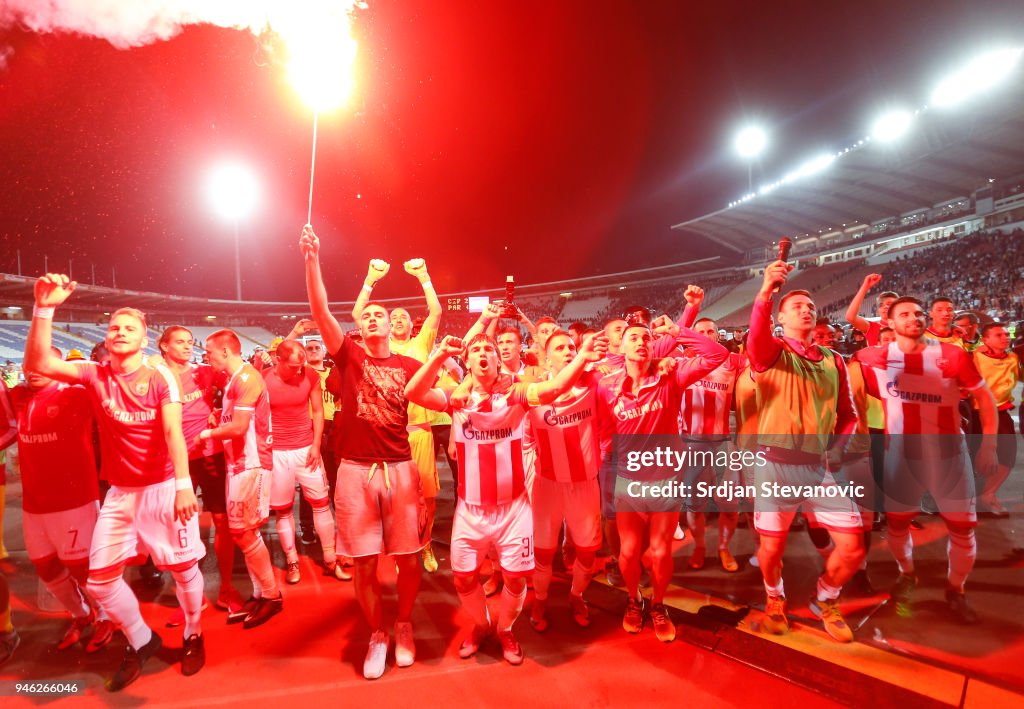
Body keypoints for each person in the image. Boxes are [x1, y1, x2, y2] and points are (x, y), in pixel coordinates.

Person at [24, 275, 206, 690]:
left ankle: (194, 632)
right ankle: (142, 638)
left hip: (163, 488)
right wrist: (43, 308)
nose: (119, 332)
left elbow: (173, 433)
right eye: (113, 327)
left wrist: (182, 485)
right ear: (106, 339)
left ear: (144, 340)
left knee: (183, 569)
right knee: (100, 581)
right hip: (120, 494)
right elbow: (40, 364)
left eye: (129, 328)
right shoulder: (94, 374)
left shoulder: (161, 377)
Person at [404, 331, 608, 663]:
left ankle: (505, 630)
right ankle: (482, 625)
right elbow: (413, 392)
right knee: (464, 576)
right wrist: (440, 355)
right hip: (470, 510)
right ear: (468, 362)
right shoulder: (457, 398)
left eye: (490, 349)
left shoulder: (516, 395)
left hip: (514, 508)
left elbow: (554, 389)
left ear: (499, 361)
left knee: (514, 576)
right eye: (476, 350)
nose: (483, 352)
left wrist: (583, 356)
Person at [301, 225, 427, 680]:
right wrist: (312, 259)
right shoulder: (348, 355)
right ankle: (378, 633)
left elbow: (444, 399)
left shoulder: (411, 365)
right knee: (365, 562)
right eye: (367, 314)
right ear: (360, 323)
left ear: (393, 323)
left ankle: (405, 624)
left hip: (399, 469)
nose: (373, 318)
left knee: (409, 557)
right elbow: (320, 311)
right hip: (354, 471)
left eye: (381, 313)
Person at [855, 297, 998, 623]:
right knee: (897, 524)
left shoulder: (952, 355)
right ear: (888, 323)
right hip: (900, 457)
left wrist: (989, 445)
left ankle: (956, 589)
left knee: (962, 529)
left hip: (949, 456)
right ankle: (906, 574)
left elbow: (983, 398)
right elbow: (853, 396)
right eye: (904, 314)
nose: (914, 318)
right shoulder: (871, 358)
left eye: (919, 313)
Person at [747, 262, 865, 644]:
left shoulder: (835, 361)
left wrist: (837, 449)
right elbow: (756, 339)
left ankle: (825, 598)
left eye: (810, 304)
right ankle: (774, 596)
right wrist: (766, 291)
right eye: (795, 304)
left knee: (852, 548)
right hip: (774, 466)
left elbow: (849, 416)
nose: (805, 308)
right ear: (780, 317)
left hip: (817, 468)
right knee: (771, 548)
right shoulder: (771, 353)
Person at [597, 314, 728, 643]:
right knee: (627, 552)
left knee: (659, 552)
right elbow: (600, 425)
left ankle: (658, 605)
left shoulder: (670, 376)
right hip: (627, 481)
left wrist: (678, 331)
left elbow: (717, 355)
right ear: (621, 348)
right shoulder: (606, 384)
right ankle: (633, 599)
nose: (641, 342)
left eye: (646, 338)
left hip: (665, 480)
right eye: (633, 338)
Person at [10, 347, 114, 652]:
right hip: (34, 505)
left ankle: (106, 615)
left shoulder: (76, 395)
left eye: (41, 364)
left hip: (75, 501)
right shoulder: (16, 397)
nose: (33, 370)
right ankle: (81, 615)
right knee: (47, 569)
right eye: (29, 365)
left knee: (84, 569)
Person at [352, 257, 443, 575]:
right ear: (389, 325)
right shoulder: (377, 347)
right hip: (389, 434)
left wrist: (424, 276)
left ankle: (426, 542)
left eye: (405, 316)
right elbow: (358, 315)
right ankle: (402, 549)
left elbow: (436, 313)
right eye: (396, 316)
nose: (401, 319)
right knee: (396, 500)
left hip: (419, 431)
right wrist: (369, 280)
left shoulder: (420, 345)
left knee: (428, 499)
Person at [157, 326, 244, 622]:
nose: (186, 347)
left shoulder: (205, 372)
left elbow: (240, 378)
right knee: (181, 527)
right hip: (176, 464)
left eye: (189, 342)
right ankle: (190, 596)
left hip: (211, 456)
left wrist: (220, 412)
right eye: (179, 342)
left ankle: (227, 589)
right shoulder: (156, 377)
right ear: (164, 346)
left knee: (222, 522)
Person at [200, 330, 284, 628]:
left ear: (225, 351)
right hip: (238, 463)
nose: (206, 355)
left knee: (243, 532)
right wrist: (215, 418)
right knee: (244, 532)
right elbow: (232, 422)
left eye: (209, 350)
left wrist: (206, 433)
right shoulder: (234, 380)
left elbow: (238, 428)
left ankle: (272, 596)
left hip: (251, 463)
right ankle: (262, 592)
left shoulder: (247, 378)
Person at [262, 339, 341, 584]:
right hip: (278, 452)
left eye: (301, 365)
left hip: (305, 447)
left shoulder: (309, 375)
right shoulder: (263, 379)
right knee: (284, 510)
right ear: (278, 360)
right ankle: (292, 560)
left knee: (321, 503)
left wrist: (316, 445)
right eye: (293, 366)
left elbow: (318, 411)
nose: (299, 371)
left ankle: (330, 559)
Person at [678, 318, 747, 572]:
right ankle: (699, 546)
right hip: (690, 445)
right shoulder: (680, 362)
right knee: (695, 505)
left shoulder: (732, 361)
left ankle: (724, 547)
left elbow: (760, 365)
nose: (706, 335)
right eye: (700, 332)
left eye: (711, 332)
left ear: (718, 336)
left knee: (729, 505)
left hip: (723, 444)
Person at [969, 322, 1021, 515]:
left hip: (1002, 412)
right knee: (975, 457)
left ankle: (988, 494)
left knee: (1007, 456)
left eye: (1006, 334)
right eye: (999, 335)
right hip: (977, 413)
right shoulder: (975, 357)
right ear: (986, 339)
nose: (1005, 337)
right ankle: (972, 498)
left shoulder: (1013, 357)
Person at [844, 274, 898, 346]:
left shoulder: (906, 328)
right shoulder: (872, 327)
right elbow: (850, 317)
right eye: (881, 305)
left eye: (889, 304)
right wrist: (865, 287)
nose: (885, 307)